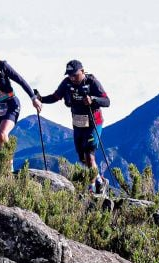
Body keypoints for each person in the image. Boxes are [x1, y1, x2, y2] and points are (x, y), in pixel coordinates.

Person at [38, 60, 110, 194]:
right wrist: (41, 99)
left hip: (94, 123)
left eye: (75, 75)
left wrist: (93, 100)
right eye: (70, 75)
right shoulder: (67, 83)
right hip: (78, 124)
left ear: (82, 71)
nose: (72, 78)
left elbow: (107, 101)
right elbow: (55, 96)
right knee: (82, 157)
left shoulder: (92, 82)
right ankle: (99, 180)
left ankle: (92, 188)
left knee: (89, 155)